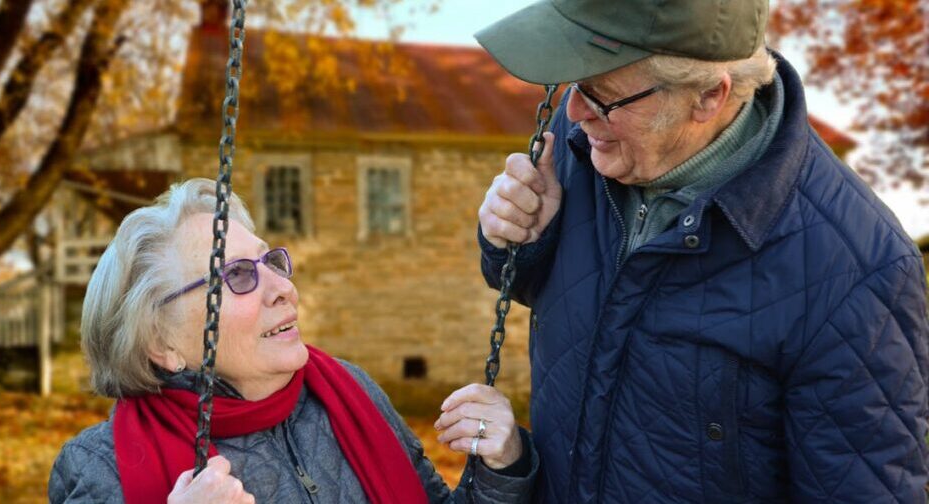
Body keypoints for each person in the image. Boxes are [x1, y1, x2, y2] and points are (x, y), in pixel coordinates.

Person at [475, 0, 929, 502]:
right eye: (573, 85)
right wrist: (517, 242)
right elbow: (558, 295)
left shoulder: (856, 271)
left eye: (600, 95)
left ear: (710, 96)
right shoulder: (586, 136)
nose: (577, 112)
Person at [49, 178, 537, 503]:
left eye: (271, 262)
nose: (283, 288)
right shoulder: (99, 469)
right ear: (161, 343)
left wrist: (501, 466)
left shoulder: (348, 391)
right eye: (237, 275)